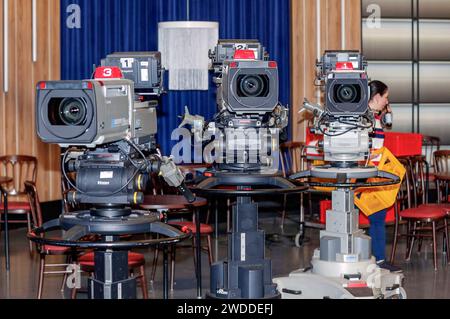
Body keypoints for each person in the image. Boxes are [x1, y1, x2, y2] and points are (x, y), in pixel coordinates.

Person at [366, 80, 402, 273]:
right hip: (366, 176)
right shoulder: (367, 119)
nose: (387, 101)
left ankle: (378, 259)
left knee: (377, 217)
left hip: (373, 174)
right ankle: (378, 260)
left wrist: (386, 116)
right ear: (377, 96)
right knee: (377, 217)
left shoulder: (373, 117)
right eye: (385, 97)